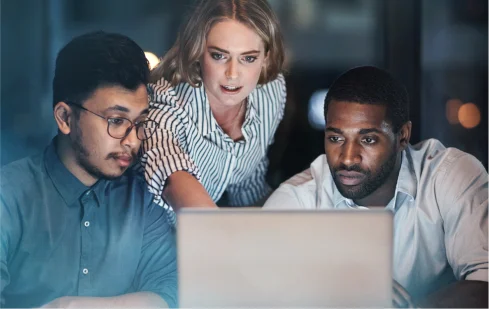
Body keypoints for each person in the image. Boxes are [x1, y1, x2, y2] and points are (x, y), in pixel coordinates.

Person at [263, 66, 488, 308]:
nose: (347, 158)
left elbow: (484, 284)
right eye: (336, 139)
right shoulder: (297, 201)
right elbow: (251, 289)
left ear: (402, 136)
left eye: (368, 140)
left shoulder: (448, 176)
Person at [0, 31, 177, 308]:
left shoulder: (143, 199)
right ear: (65, 117)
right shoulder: (8, 198)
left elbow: (171, 291)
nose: (132, 140)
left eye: (140, 122)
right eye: (116, 120)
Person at [141, 0, 286, 218]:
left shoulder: (269, 92)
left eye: (248, 58)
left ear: (265, 58)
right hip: (153, 239)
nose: (233, 73)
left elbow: (248, 187)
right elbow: (173, 178)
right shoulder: (166, 103)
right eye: (219, 55)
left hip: (214, 235)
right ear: (198, 51)